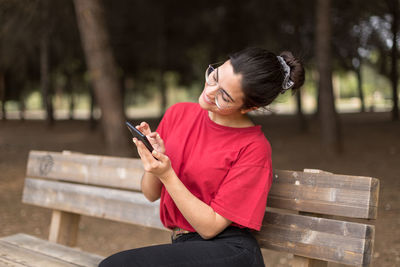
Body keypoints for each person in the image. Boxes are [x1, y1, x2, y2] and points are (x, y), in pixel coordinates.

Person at [99, 47, 305, 267]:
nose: (210, 91)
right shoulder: (178, 114)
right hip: (186, 246)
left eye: (224, 96)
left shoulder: (254, 148)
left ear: (250, 107)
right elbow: (150, 194)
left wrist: (168, 175)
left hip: (228, 251)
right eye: (214, 77)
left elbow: (210, 228)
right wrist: (155, 160)